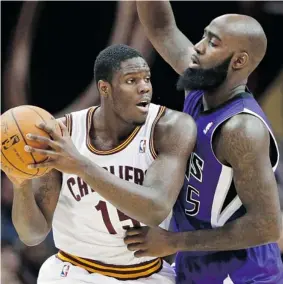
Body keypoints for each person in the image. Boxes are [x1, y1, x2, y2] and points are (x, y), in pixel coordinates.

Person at [2, 44, 197, 284]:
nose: (144, 87)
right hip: (72, 272)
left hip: (145, 275)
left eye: (147, 78)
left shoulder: (170, 128)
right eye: (131, 80)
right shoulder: (63, 133)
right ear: (105, 88)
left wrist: (81, 165)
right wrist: (21, 184)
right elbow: (32, 234)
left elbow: (155, 209)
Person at [124, 2, 282, 283]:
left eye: (213, 42)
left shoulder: (241, 129)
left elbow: (267, 226)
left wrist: (173, 242)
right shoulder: (201, 84)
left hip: (245, 276)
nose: (197, 46)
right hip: (198, 266)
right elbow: (162, 28)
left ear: (239, 61)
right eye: (203, 35)